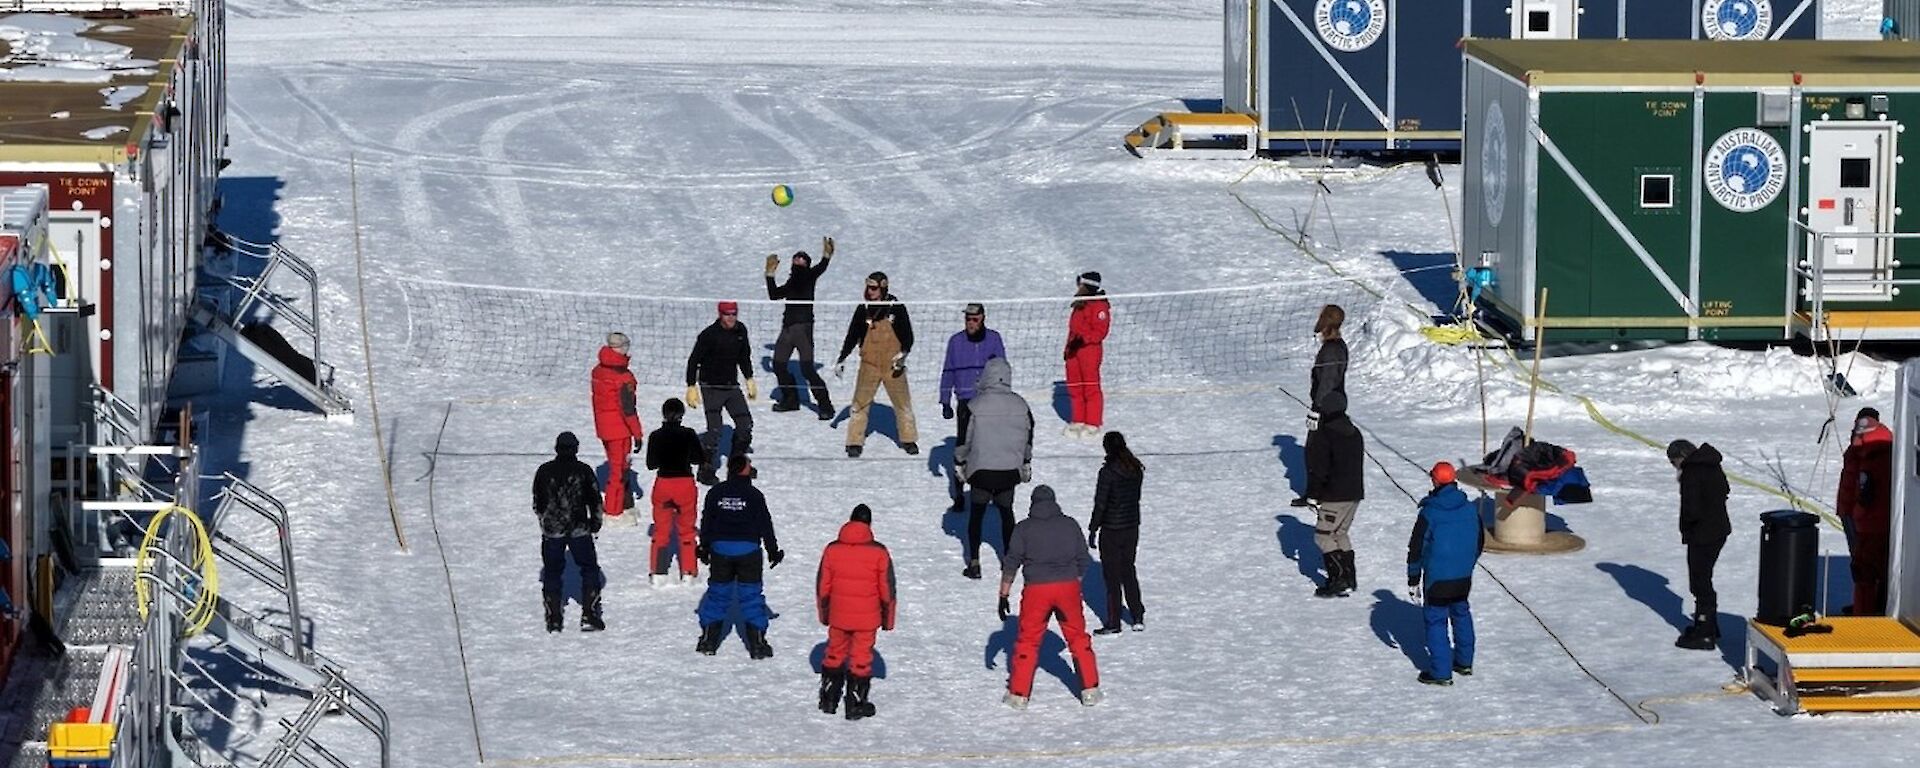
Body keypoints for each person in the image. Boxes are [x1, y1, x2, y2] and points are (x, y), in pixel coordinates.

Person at [1000, 485, 1101, 709]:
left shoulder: (1024, 528)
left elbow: (1011, 562)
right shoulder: (1070, 524)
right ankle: (1090, 689)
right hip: (1068, 588)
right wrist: (1074, 581)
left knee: (1028, 641)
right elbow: (1084, 559)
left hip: (1037, 590)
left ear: (1033, 504)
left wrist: (1003, 593)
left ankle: (1018, 694)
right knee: (1077, 637)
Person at [695, 454, 783, 658]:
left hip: (720, 551)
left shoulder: (716, 492)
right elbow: (765, 525)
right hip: (749, 551)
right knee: (751, 596)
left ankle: (709, 640)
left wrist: (704, 547)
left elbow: (707, 521)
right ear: (743, 469)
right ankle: (757, 644)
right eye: (749, 464)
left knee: (718, 594)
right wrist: (772, 550)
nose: (751, 467)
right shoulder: (754, 495)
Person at [815, 504, 896, 721]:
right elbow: (887, 589)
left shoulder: (832, 549)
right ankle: (855, 704)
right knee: (861, 658)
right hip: (867, 618)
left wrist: (825, 614)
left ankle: (828, 699)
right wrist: (888, 620)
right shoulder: (879, 551)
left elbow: (822, 585)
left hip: (838, 615)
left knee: (834, 653)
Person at [956, 358, 1033, 580]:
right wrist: (1025, 462)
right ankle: (1008, 561)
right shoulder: (1021, 405)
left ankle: (974, 562)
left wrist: (960, 463)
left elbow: (964, 441)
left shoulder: (974, 406)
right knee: (1007, 513)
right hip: (1009, 471)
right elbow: (1028, 438)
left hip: (981, 472)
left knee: (977, 516)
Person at [1406, 462, 1480, 686]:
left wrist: (1413, 578)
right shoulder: (1469, 508)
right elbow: (1479, 542)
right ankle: (1464, 662)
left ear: (1435, 480)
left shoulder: (1430, 512)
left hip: (1437, 579)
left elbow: (1416, 548)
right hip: (1462, 577)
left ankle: (1441, 673)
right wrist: (1467, 564)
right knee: (1461, 614)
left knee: (1436, 621)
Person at [835, 272, 917, 457]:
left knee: (903, 404)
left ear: (883, 288)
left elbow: (908, 335)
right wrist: (842, 358)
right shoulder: (863, 309)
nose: (869, 292)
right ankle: (854, 441)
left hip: (893, 364)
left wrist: (903, 353)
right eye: (868, 287)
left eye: (873, 288)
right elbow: (852, 335)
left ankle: (908, 439)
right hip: (869, 365)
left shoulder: (896, 307)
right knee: (860, 404)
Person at [532, 432, 606, 633]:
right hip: (579, 528)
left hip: (553, 529)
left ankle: (554, 617)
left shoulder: (544, 471)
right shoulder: (583, 470)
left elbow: (538, 501)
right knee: (590, 568)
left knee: (552, 570)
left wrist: (545, 520)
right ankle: (589, 613)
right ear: (576, 449)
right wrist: (596, 522)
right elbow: (595, 500)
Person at [939, 302, 1008, 506]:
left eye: (974, 319)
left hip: (989, 400)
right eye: (967, 319)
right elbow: (948, 370)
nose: (970, 323)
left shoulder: (994, 339)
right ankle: (959, 493)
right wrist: (945, 400)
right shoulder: (956, 341)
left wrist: (1003, 396)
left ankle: (991, 490)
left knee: (989, 448)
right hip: (966, 402)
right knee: (963, 448)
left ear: (983, 319)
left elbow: (1001, 369)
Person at [1667, 439, 1730, 650]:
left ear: (1681, 456)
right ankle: (1709, 625)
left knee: (1700, 581)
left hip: (1703, 534)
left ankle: (1705, 632)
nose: (1674, 467)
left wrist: (1687, 528)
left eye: (1673, 462)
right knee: (1703, 578)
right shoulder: (1712, 464)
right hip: (1719, 529)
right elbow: (1725, 490)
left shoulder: (1691, 472)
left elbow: (1691, 509)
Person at [686, 301, 758, 485]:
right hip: (710, 386)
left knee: (745, 424)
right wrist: (691, 386)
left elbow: (744, 357)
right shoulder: (709, 335)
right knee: (715, 430)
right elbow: (694, 361)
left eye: (734, 314)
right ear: (720, 315)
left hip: (731, 386)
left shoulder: (741, 331)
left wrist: (749, 378)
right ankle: (706, 468)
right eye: (727, 314)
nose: (731, 318)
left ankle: (737, 464)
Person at [765, 236, 837, 419]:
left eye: (802, 258)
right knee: (778, 365)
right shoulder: (791, 283)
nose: (798, 259)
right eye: (795, 257)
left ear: (806, 263)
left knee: (807, 370)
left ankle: (826, 406)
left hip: (803, 329)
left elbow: (821, 268)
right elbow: (774, 295)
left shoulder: (809, 276)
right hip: (787, 328)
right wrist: (769, 274)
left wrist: (827, 256)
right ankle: (790, 400)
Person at [646, 398, 709, 587]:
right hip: (684, 484)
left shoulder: (656, 435)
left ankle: (658, 572)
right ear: (682, 415)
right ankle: (688, 572)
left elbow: (651, 464)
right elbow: (699, 458)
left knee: (661, 530)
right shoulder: (688, 434)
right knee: (686, 531)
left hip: (663, 484)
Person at [1307, 391, 1364, 598]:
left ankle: (1338, 580)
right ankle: (1350, 578)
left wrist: (1313, 495)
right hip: (1354, 494)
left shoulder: (1326, 434)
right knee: (1340, 533)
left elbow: (1319, 468)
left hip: (1335, 495)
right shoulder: (1354, 432)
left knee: (1323, 537)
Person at [1838, 408, 1894, 616]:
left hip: (1869, 523)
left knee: (1866, 570)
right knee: (1863, 567)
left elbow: (1867, 491)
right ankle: (1864, 609)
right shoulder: (1861, 449)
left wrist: (1857, 513)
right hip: (1855, 516)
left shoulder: (1876, 453)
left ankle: (1867, 613)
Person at [1089, 431, 1145, 634]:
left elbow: (1101, 503)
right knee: (1128, 570)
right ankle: (1137, 614)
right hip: (1131, 526)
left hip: (1112, 529)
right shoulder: (1135, 468)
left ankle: (1114, 622)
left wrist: (1093, 527)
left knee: (1112, 577)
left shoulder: (1108, 472)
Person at [1295, 304, 1348, 507]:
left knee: (1316, 452)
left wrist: (1316, 409)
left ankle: (1316, 494)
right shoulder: (1338, 345)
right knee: (1321, 450)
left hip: (1328, 406)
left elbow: (1327, 380)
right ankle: (1318, 492)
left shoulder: (1332, 349)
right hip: (1333, 403)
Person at [590, 332, 645, 525]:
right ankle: (613, 511)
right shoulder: (623, 377)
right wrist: (637, 433)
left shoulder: (597, 370)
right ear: (621, 348)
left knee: (617, 467)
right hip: (620, 430)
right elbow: (628, 409)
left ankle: (622, 503)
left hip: (604, 427)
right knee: (618, 472)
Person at [1063, 271, 1110, 437]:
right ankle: (1078, 420)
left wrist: (1083, 338)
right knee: (1074, 386)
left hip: (1088, 351)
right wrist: (1068, 349)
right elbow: (1073, 329)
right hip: (1074, 351)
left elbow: (1100, 332)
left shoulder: (1099, 306)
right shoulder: (1079, 303)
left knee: (1090, 387)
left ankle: (1092, 423)